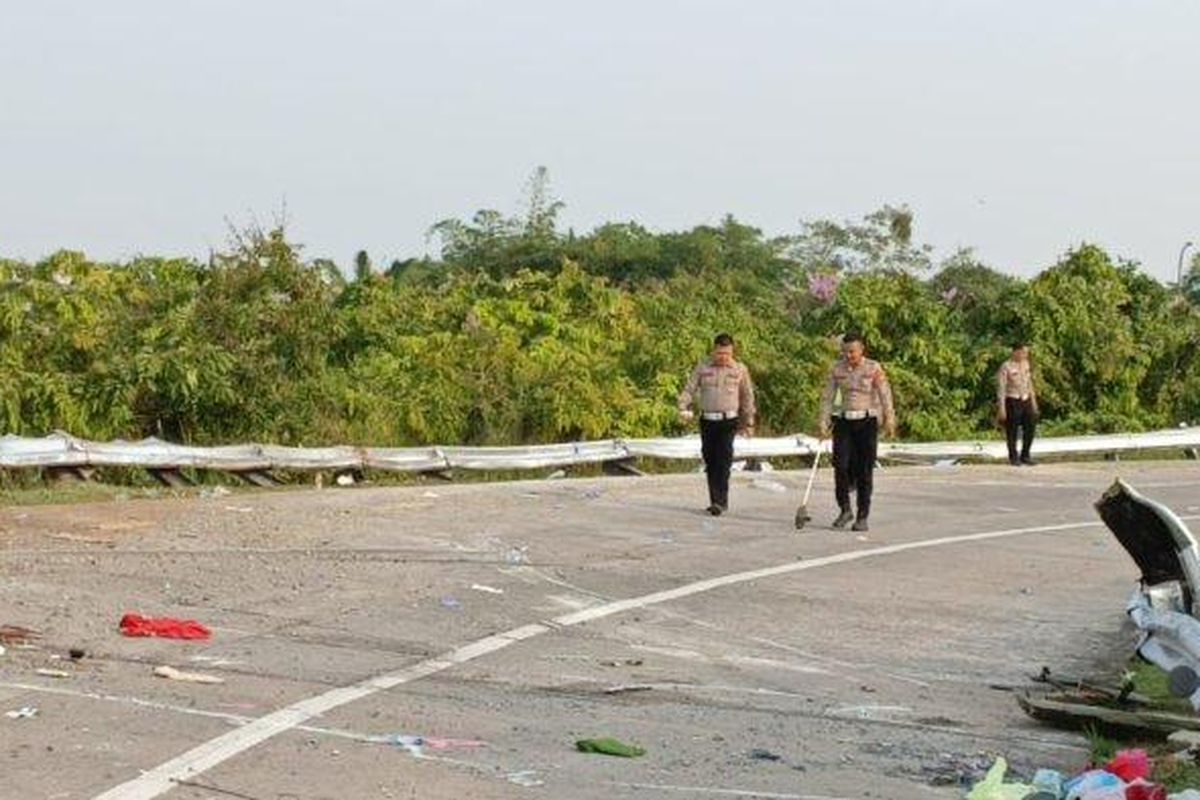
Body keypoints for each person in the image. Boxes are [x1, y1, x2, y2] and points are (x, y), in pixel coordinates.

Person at [818, 333, 896, 532]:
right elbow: (827, 397)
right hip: (844, 421)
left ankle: (862, 515)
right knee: (840, 466)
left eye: (852, 351)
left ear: (862, 350)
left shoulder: (873, 368)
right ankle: (845, 509)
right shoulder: (837, 369)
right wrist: (823, 421)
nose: (848, 355)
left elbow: (884, 393)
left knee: (864, 470)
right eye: (845, 351)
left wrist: (889, 417)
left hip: (866, 422)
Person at [677, 333, 756, 516]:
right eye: (719, 353)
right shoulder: (703, 367)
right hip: (707, 420)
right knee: (710, 460)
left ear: (732, 352)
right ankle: (714, 499)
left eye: (727, 354)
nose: (723, 357)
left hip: (728, 421)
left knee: (723, 460)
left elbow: (747, 397)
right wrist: (682, 405)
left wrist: (749, 422)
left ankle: (720, 501)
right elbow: (690, 389)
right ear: (714, 350)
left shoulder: (740, 370)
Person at [997, 342, 1039, 466]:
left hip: (1025, 399)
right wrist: (1001, 407)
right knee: (1012, 430)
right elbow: (1001, 388)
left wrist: (1034, 401)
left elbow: (1029, 383)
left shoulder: (1026, 364)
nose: (1025, 355)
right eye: (1023, 352)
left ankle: (1025, 455)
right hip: (1012, 400)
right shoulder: (1006, 366)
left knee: (1030, 427)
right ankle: (1013, 457)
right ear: (1016, 352)